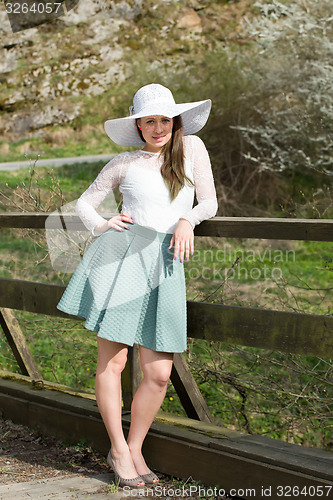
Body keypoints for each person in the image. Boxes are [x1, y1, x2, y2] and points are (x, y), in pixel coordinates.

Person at [57, 83, 218, 488]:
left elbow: (210, 201)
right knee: (113, 363)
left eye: (165, 119)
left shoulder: (192, 149)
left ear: (175, 121)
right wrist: (102, 225)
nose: (159, 127)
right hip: (122, 258)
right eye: (150, 121)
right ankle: (119, 450)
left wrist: (187, 220)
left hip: (166, 261)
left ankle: (135, 446)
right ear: (139, 125)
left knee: (159, 372)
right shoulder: (124, 162)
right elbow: (83, 203)